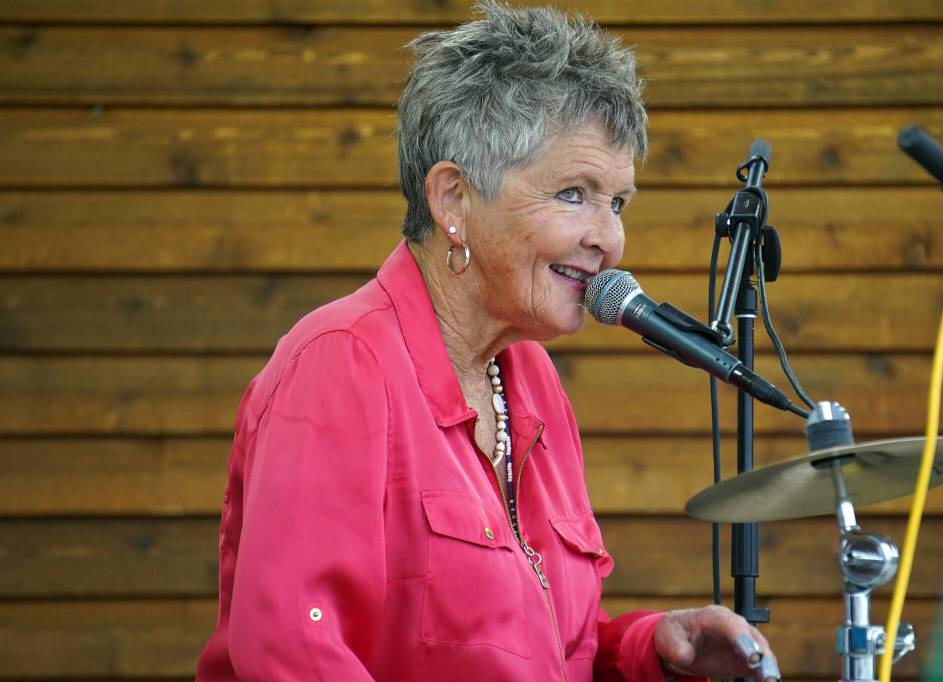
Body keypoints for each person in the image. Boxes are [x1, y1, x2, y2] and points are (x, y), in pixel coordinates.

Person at [195, 2, 780, 680]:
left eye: (617, 202)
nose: (609, 239)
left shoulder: (531, 379)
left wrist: (648, 650)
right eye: (573, 194)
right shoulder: (340, 363)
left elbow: (540, 646)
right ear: (453, 200)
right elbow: (292, 655)